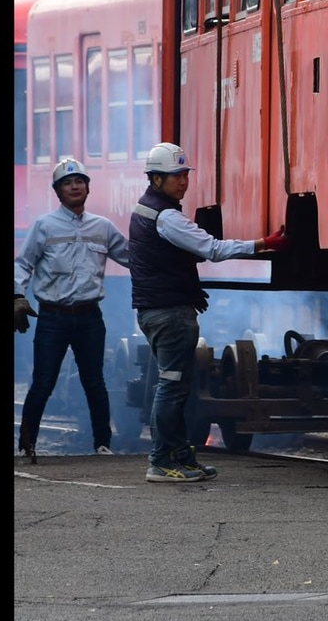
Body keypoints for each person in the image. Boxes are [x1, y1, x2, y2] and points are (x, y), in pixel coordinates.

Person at [130, 141, 286, 485]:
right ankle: (161, 461)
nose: (182, 181)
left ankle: (181, 455)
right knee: (172, 387)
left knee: (177, 386)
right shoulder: (166, 216)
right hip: (169, 314)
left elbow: (167, 261)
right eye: (175, 176)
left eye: (184, 174)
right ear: (155, 179)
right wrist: (262, 244)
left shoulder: (147, 209)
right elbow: (212, 249)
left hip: (162, 309)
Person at [15, 157, 131, 463]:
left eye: (80, 181)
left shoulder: (102, 227)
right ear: (58, 191)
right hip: (53, 316)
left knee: (95, 381)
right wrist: (16, 296)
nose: (75, 186)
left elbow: (133, 258)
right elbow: (23, 264)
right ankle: (26, 445)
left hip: (90, 316)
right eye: (68, 183)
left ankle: (102, 444)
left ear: (88, 188)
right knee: (43, 382)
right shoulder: (44, 227)